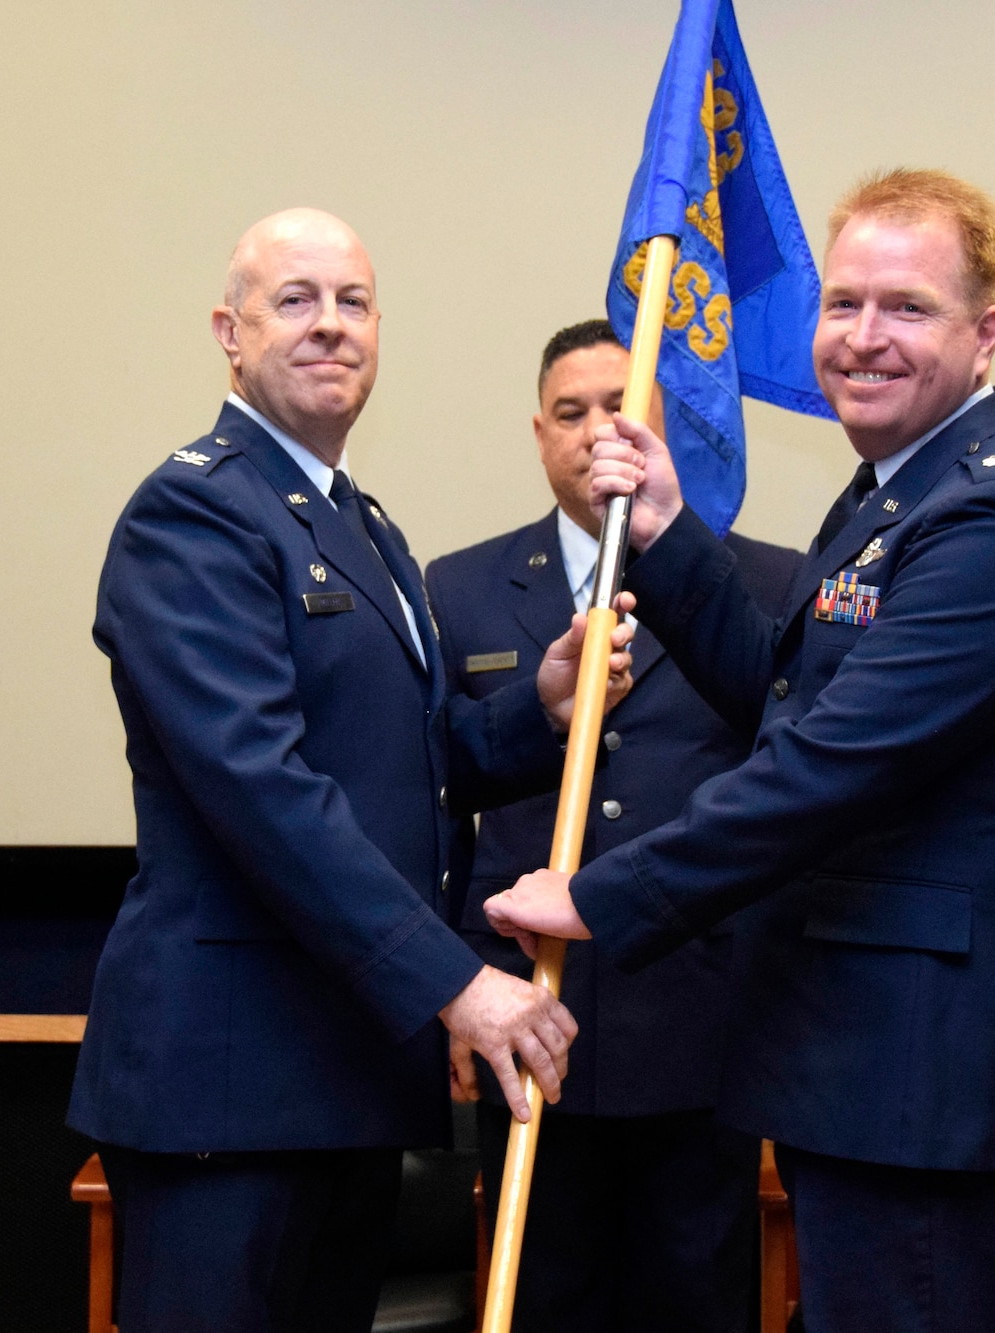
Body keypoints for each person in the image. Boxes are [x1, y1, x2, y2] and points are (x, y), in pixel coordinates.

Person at [484, 169, 995, 1333]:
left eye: (906, 308)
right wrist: (668, 531)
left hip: (923, 1079)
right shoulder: (891, 501)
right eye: (841, 304)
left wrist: (602, 895)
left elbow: (829, 766)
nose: (861, 338)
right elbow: (785, 694)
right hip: (863, 1065)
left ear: (985, 337)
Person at [68, 208, 634, 1333]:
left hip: (342, 1080)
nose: (330, 326)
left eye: (354, 302)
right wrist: (455, 981)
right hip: (227, 1085)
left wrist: (538, 709)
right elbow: (262, 791)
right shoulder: (194, 512)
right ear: (229, 334)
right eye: (296, 301)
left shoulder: (357, 525)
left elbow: (405, 771)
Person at [425, 320, 802, 1333]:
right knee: (542, 1294)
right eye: (570, 411)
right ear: (536, 433)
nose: (598, 431)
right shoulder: (455, 588)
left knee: (696, 1297)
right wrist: (455, 985)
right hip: (526, 1021)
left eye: (622, 409)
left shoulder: (767, 586)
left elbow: (791, 793)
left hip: (701, 1019)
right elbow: (440, 797)